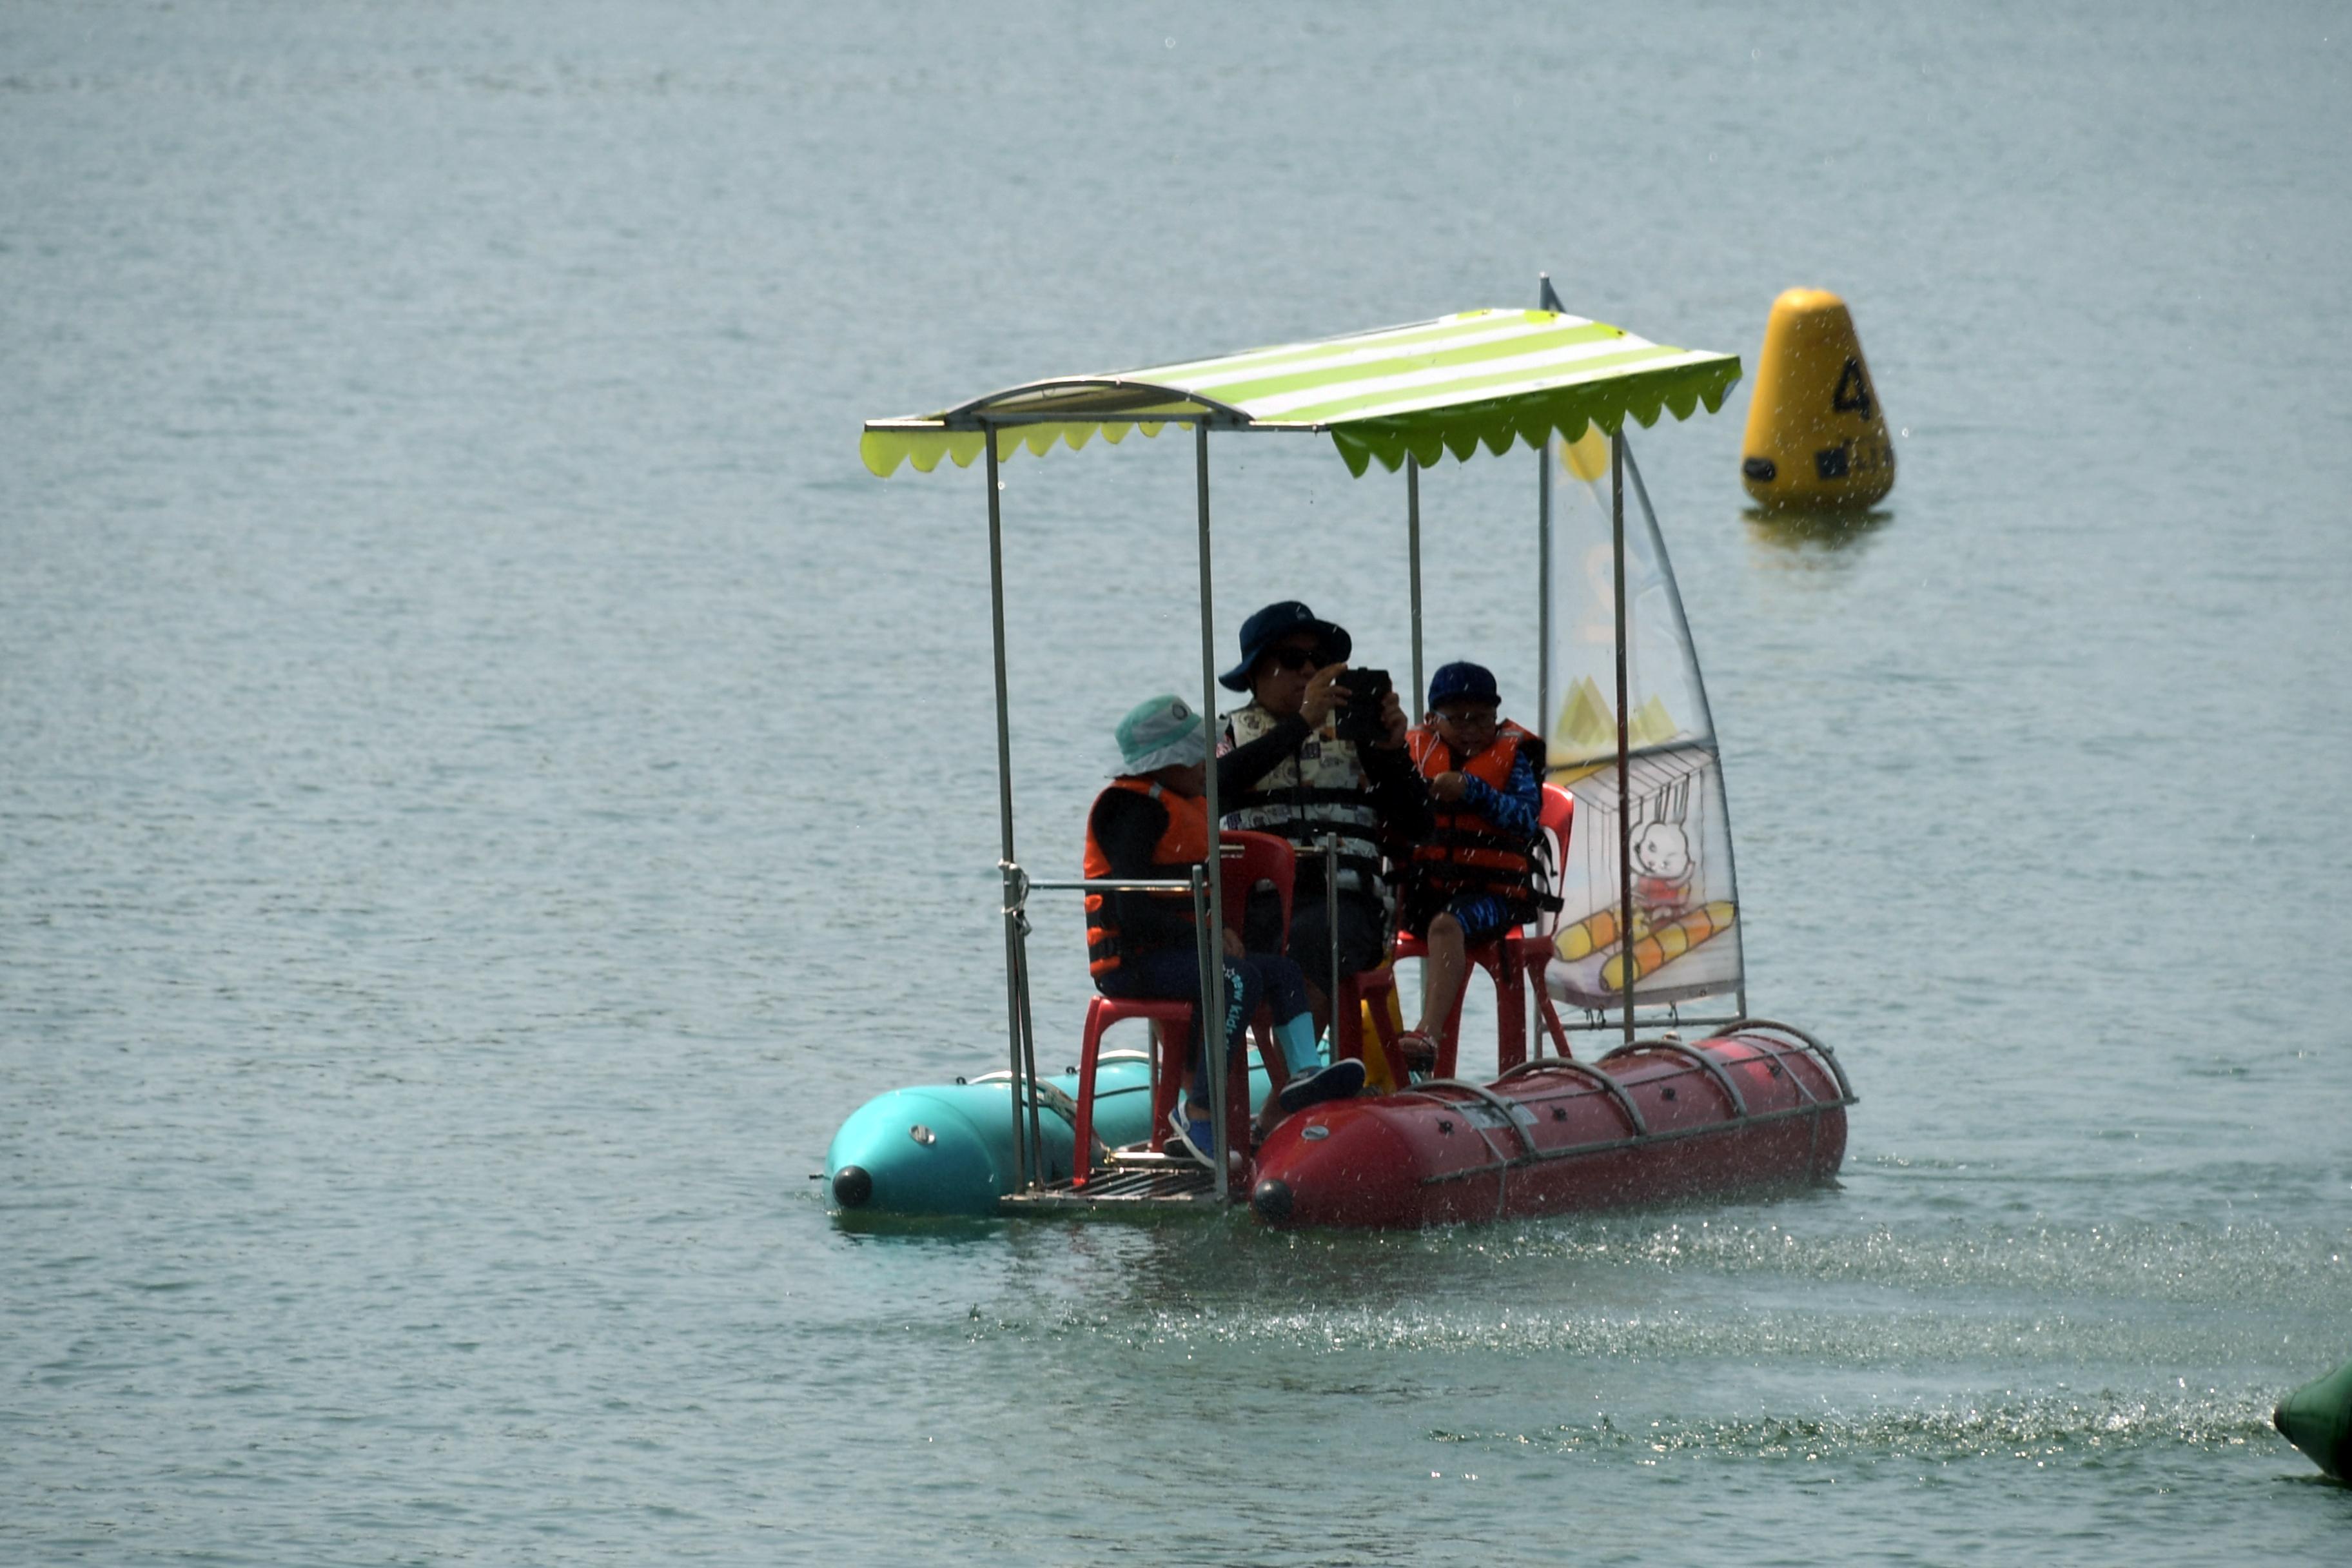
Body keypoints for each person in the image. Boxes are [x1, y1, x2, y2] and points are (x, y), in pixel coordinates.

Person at [1084, 693, 1364, 1164]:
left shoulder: (1182, 798)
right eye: (1194, 754)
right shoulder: (1131, 811)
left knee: (1280, 972)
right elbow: (1130, 912)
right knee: (1237, 980)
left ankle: (1303, 1077)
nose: (1205, 762)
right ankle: (1200, 1112)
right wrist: (1209, 939)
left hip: (1182, 954)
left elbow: (1235, 777)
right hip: (1135, 964)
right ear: (1163, 763)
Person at [1216, 601, 1433, 1057]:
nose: (1309, 671)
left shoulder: (1359, 735)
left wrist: (1393, 754)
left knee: (1316, 938)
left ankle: (1286, 1099)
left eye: (1320, 662)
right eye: (1293, 661)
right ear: (1255, 674)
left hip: (1346, 905)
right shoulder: (1229, 736)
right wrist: (1301, 725)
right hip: (1255, 910)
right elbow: (1212, 790)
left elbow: (1418, 824)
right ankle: (1214, 1101)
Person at [1395, 661, 1548, 1066]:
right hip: (1422, 892)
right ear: (1431, 720)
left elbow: (1526, 819)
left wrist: (1474, 791)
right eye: (1458, 720)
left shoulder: (1514, 759)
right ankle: (1370, 1050)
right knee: (1356, 922)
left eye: (1482, 720)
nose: (1471, 730)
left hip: (1494, 897)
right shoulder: (1413, 752)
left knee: (1448, 924)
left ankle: (1428, 1036)